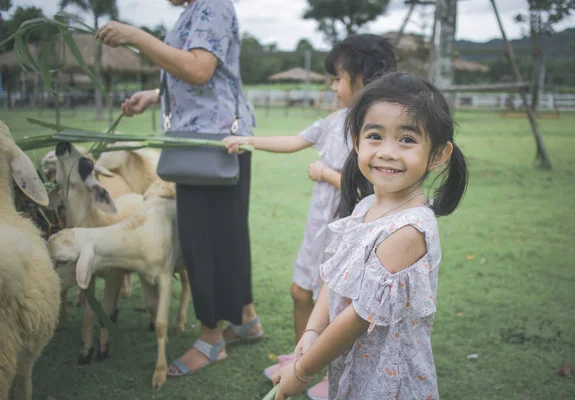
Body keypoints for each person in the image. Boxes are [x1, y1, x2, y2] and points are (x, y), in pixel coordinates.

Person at [270, 72, 469, 400]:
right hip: (353, 364)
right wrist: (311, 331)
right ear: (356, 140)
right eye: (375, 135)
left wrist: (303, 371)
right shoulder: (364, 206)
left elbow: (360, 316)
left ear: (437, 154)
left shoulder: (408, 231)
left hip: (389, 381)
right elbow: (334, 279)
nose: (388, 151)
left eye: (407, 139)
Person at [224, 34, 396, 399]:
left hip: (350, 230)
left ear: (362, 77)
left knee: (337, 307)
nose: (333, 86)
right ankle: (301, 359)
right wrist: (248, 142)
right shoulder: (336, 120)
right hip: (319, 226)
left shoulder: (377, 129)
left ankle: (331, 373)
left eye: (337, 78)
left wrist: (326, 174)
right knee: (300, 291)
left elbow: (373, 190)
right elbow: (294, 140)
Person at [96, 0, 262, 377]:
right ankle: (245, 320)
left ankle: (210, 340)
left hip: (209, 143)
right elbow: (208, 75)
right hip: (212, 139)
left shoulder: (213, 5)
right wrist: (156, 96)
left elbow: (199, 69)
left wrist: (136, 36)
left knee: (203, 240)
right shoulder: (199, 9)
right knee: (228, 235)